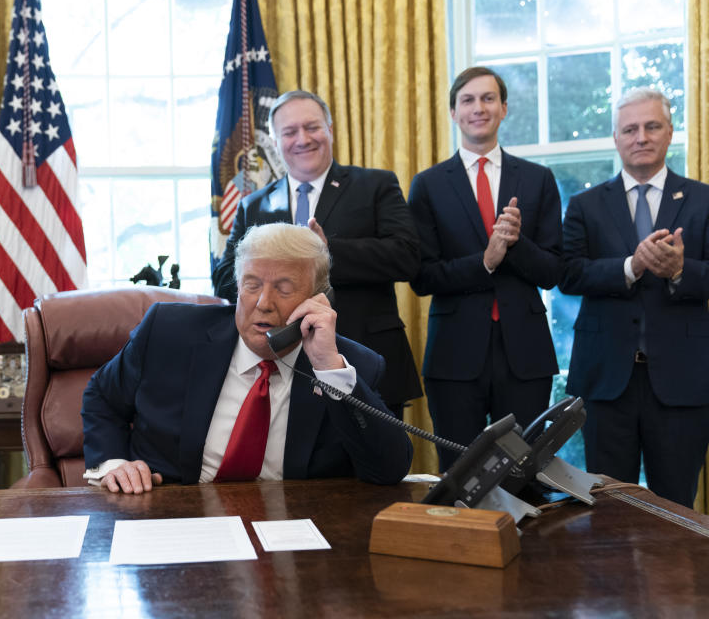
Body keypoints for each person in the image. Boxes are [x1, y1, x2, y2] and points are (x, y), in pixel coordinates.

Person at [82, 223, 413, 494]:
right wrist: (113, 462)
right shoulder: (168, 333)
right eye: (251, 285)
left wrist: (329, 370)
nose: (263, 303)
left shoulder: (351, 366)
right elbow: (101, 397)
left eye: (283, 289)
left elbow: (388, 470)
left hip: (290, 537)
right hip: (174, 518)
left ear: (318, 300)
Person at [211, 90, 422, 418]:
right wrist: (271, 274)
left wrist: (327, 252)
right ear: (277, 142)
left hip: (366, 354)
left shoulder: (375, 185)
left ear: (330, 130)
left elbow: (407, 255)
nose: (302, 139)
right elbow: (224, 277)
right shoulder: (254, 204)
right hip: (281, 365)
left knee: (377, 463)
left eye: (312, 127)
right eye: (290, 132)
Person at [559, 87, 709, 508]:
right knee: (608, 508)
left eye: (651, 126)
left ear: (670, 132)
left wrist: (681, 270)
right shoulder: (586, 204)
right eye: (630, 129)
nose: (640, 136)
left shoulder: (703, 199)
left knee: (677, 507)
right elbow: (567, 274)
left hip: (683, 383)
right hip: (606, 383)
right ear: (616, 138)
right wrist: (631, 265)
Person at [408, 66, 563, 470]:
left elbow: (553, 270)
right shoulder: (428, 185)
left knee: (526, 473)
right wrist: (486, 261)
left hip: (525, 354)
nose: (479, 108)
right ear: (454, 113)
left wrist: (515, 244)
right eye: (468, 100)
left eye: (488, 98)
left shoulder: (537, 179)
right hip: (454, 354)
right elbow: (422, 277)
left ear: (504, 109)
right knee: (460, 473)